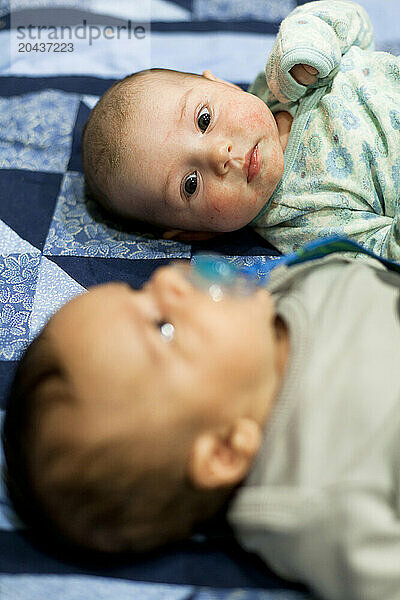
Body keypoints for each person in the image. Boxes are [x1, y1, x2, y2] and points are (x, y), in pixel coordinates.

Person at [3, 247, 400, 600]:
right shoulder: (321, 500)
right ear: (224, 452)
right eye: (163, 327)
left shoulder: (278, 297)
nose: (162, 279)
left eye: (137, 290)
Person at [82, 0, 400, 258]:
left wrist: (308, 44)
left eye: (203, 120)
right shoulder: (300, 222)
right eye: (190, 185)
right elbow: (385, 251)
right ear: (200, 232)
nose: (218, 154)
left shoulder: (283, 78)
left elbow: (356, 22)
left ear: (222, 84)